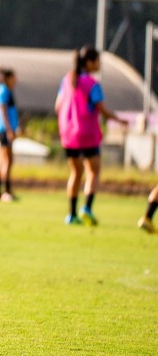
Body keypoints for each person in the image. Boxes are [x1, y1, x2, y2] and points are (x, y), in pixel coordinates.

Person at [55, 45, 128, 226]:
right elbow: (101, 110)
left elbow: (58, 106)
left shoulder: (67, 79)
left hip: (68, 133)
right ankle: (86, 208)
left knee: (75, 172)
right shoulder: (93, 84)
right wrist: (119, 120)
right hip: (87, 133)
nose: (99, 64)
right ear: (90, 62)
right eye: (98, 61)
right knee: (93, 171)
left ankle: (71, 215)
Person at [0, 68, 19, 202]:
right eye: (14, 78)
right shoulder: (3, 91)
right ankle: (6, 192)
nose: (16, 81)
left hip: (1, 129)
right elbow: (2, 110)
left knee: (1, 160)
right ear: (7, 78)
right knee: (7, 160)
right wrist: (9, 129)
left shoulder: (2, 90)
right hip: (3, 129)